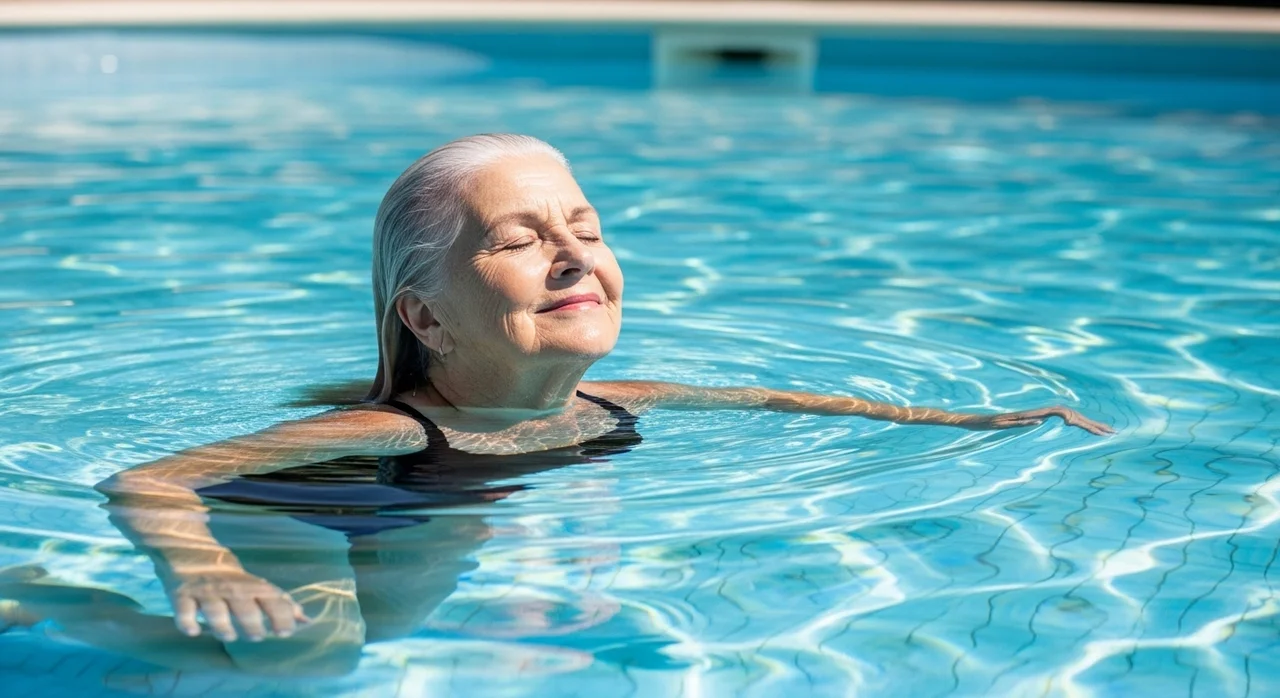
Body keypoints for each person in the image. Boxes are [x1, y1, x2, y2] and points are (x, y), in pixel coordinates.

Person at [2, 134, 1111, 676]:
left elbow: (772, 396)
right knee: (315, 659)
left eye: (583, 225)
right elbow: (147, 475)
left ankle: (61, 603)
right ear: (426, 320)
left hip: (424, 507)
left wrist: (972, 424)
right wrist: (209, 565)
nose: (571, 252)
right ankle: (45, 593)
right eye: (520, 237)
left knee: (387, 625)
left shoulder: (605, 401)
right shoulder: (387, 427)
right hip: (290, 507)